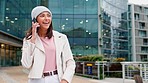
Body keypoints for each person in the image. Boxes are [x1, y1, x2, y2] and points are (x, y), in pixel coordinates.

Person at [21, 6, 76, 83]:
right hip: (36, 80)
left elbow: (70, 62)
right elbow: (26, 64)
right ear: (35, 20)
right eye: (42, 16)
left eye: (48, 15)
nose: (46, 18)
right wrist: (32, 40)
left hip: (56, 79)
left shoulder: (61, 37)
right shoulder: (29, 40)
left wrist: (65, 79)